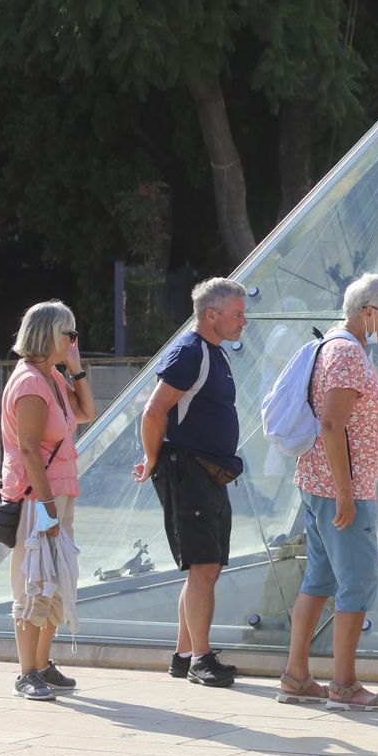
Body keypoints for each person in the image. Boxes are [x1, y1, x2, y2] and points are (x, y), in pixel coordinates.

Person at [277, 274, 378, 711]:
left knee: (320, 580)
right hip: (340, 488)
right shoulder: (348, 352)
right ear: (367, 311)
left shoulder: (333, 345)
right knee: (357, 583)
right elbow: (333, 424)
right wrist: (347, 493)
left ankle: (296, 675)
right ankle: (344, 684)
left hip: (319, 481)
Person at [132, 278, 248, 688]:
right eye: (237, 314)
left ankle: (184, 655)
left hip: (206, 471)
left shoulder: (212, 352)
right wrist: (152, 459)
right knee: (203, 566)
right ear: (211, 315)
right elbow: (153, 410)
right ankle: (201, 658)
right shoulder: (191, 351)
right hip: (188, 471)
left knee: (206, 567)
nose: (244, 321)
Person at [1, 300, 95, 700]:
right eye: (68, 335)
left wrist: (75, 370)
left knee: (56, 579)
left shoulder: (53, 377)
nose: (74, 341)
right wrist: (47, 507)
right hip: (36, 498)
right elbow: (28, 450)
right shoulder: (29, 384)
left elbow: (87, 412)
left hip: (58, 494)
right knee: (32, 581)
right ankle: (27, 673)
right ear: (47, 336)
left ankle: (43, 663)